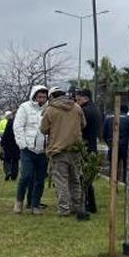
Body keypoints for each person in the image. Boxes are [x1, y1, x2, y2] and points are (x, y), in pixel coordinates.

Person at [40, 88, 89, 220]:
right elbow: (83, 124)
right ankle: (77, 206)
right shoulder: (77, 108)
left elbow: (43, 129)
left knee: (61, 181)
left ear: (51, 97)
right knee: (75, 180)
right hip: (75, 149)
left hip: (58, 150)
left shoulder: (50, 110)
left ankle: (64, 208)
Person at [13, 85, 50, 214]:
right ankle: (19, 202)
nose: (42, 99)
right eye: (39, 96)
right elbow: (18, 126)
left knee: (40, 179)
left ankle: (35, 205)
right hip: (28, 149)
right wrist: (22, 144)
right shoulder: (25, 107)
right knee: (26, 176)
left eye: (44, 97)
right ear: (34, 96)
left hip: (43, 150)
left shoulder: (49, 109)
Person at [75, 88, 103, 213]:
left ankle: (87, 204)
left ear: (86, 98)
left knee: (84, 179)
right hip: (93, 146)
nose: (77, 102)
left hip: (85, 146)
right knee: (87, 179)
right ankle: (91, 205)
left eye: (78, 99)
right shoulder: (96, 109)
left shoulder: (84, 111)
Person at [102, 105, 129, 189]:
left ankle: (113, 185)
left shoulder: (109, 118)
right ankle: (128, 185)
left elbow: (104, 133)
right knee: (127, 166)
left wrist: (109, 143)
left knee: (113, 166)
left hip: (113, 145)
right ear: (126, 111)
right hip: (125, 145)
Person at [0, 111, 20, 181]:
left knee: (6, 159)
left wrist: (2, 143)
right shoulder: (18, 123)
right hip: (16, 144)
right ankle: (14, 175)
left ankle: (8, 171)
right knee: (15, 160)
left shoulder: (8, 123)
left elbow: (5, 134)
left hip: (8, 144)